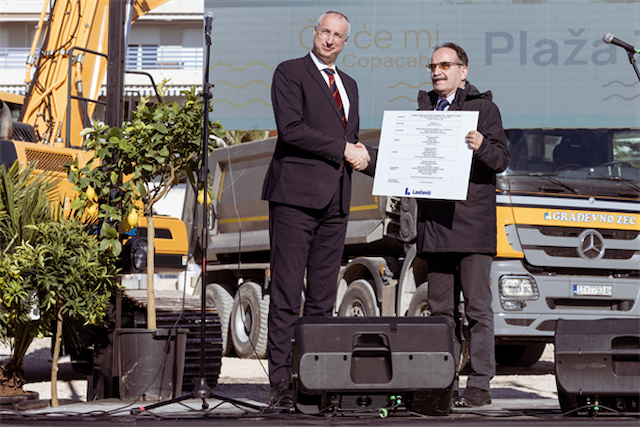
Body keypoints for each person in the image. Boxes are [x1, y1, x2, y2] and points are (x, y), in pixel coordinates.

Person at [261, 11, 375, 407]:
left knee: (323, 298)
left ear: (346, 42)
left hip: (336, 201)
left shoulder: (350, 85)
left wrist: (368, 157)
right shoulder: (290, 72)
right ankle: (279, 385)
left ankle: (315, 380)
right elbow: (291, 129)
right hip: (295, 198)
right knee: (287, 294)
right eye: (324, 32)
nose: (329, 40)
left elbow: (351, 141)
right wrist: (344, 149)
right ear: (314, 33)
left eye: (337, 36)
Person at [415, 42, 510, 407]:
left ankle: (480, 385)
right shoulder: (424, 110)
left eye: (445, 65)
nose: (437, 71)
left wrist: (482, 145)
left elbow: (500, 159)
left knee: (477, 310)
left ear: (463, 71)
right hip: (436, 226)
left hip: (472, 227)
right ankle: (443, 381)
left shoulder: (484, 109)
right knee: (440, 312)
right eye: (433, 65)